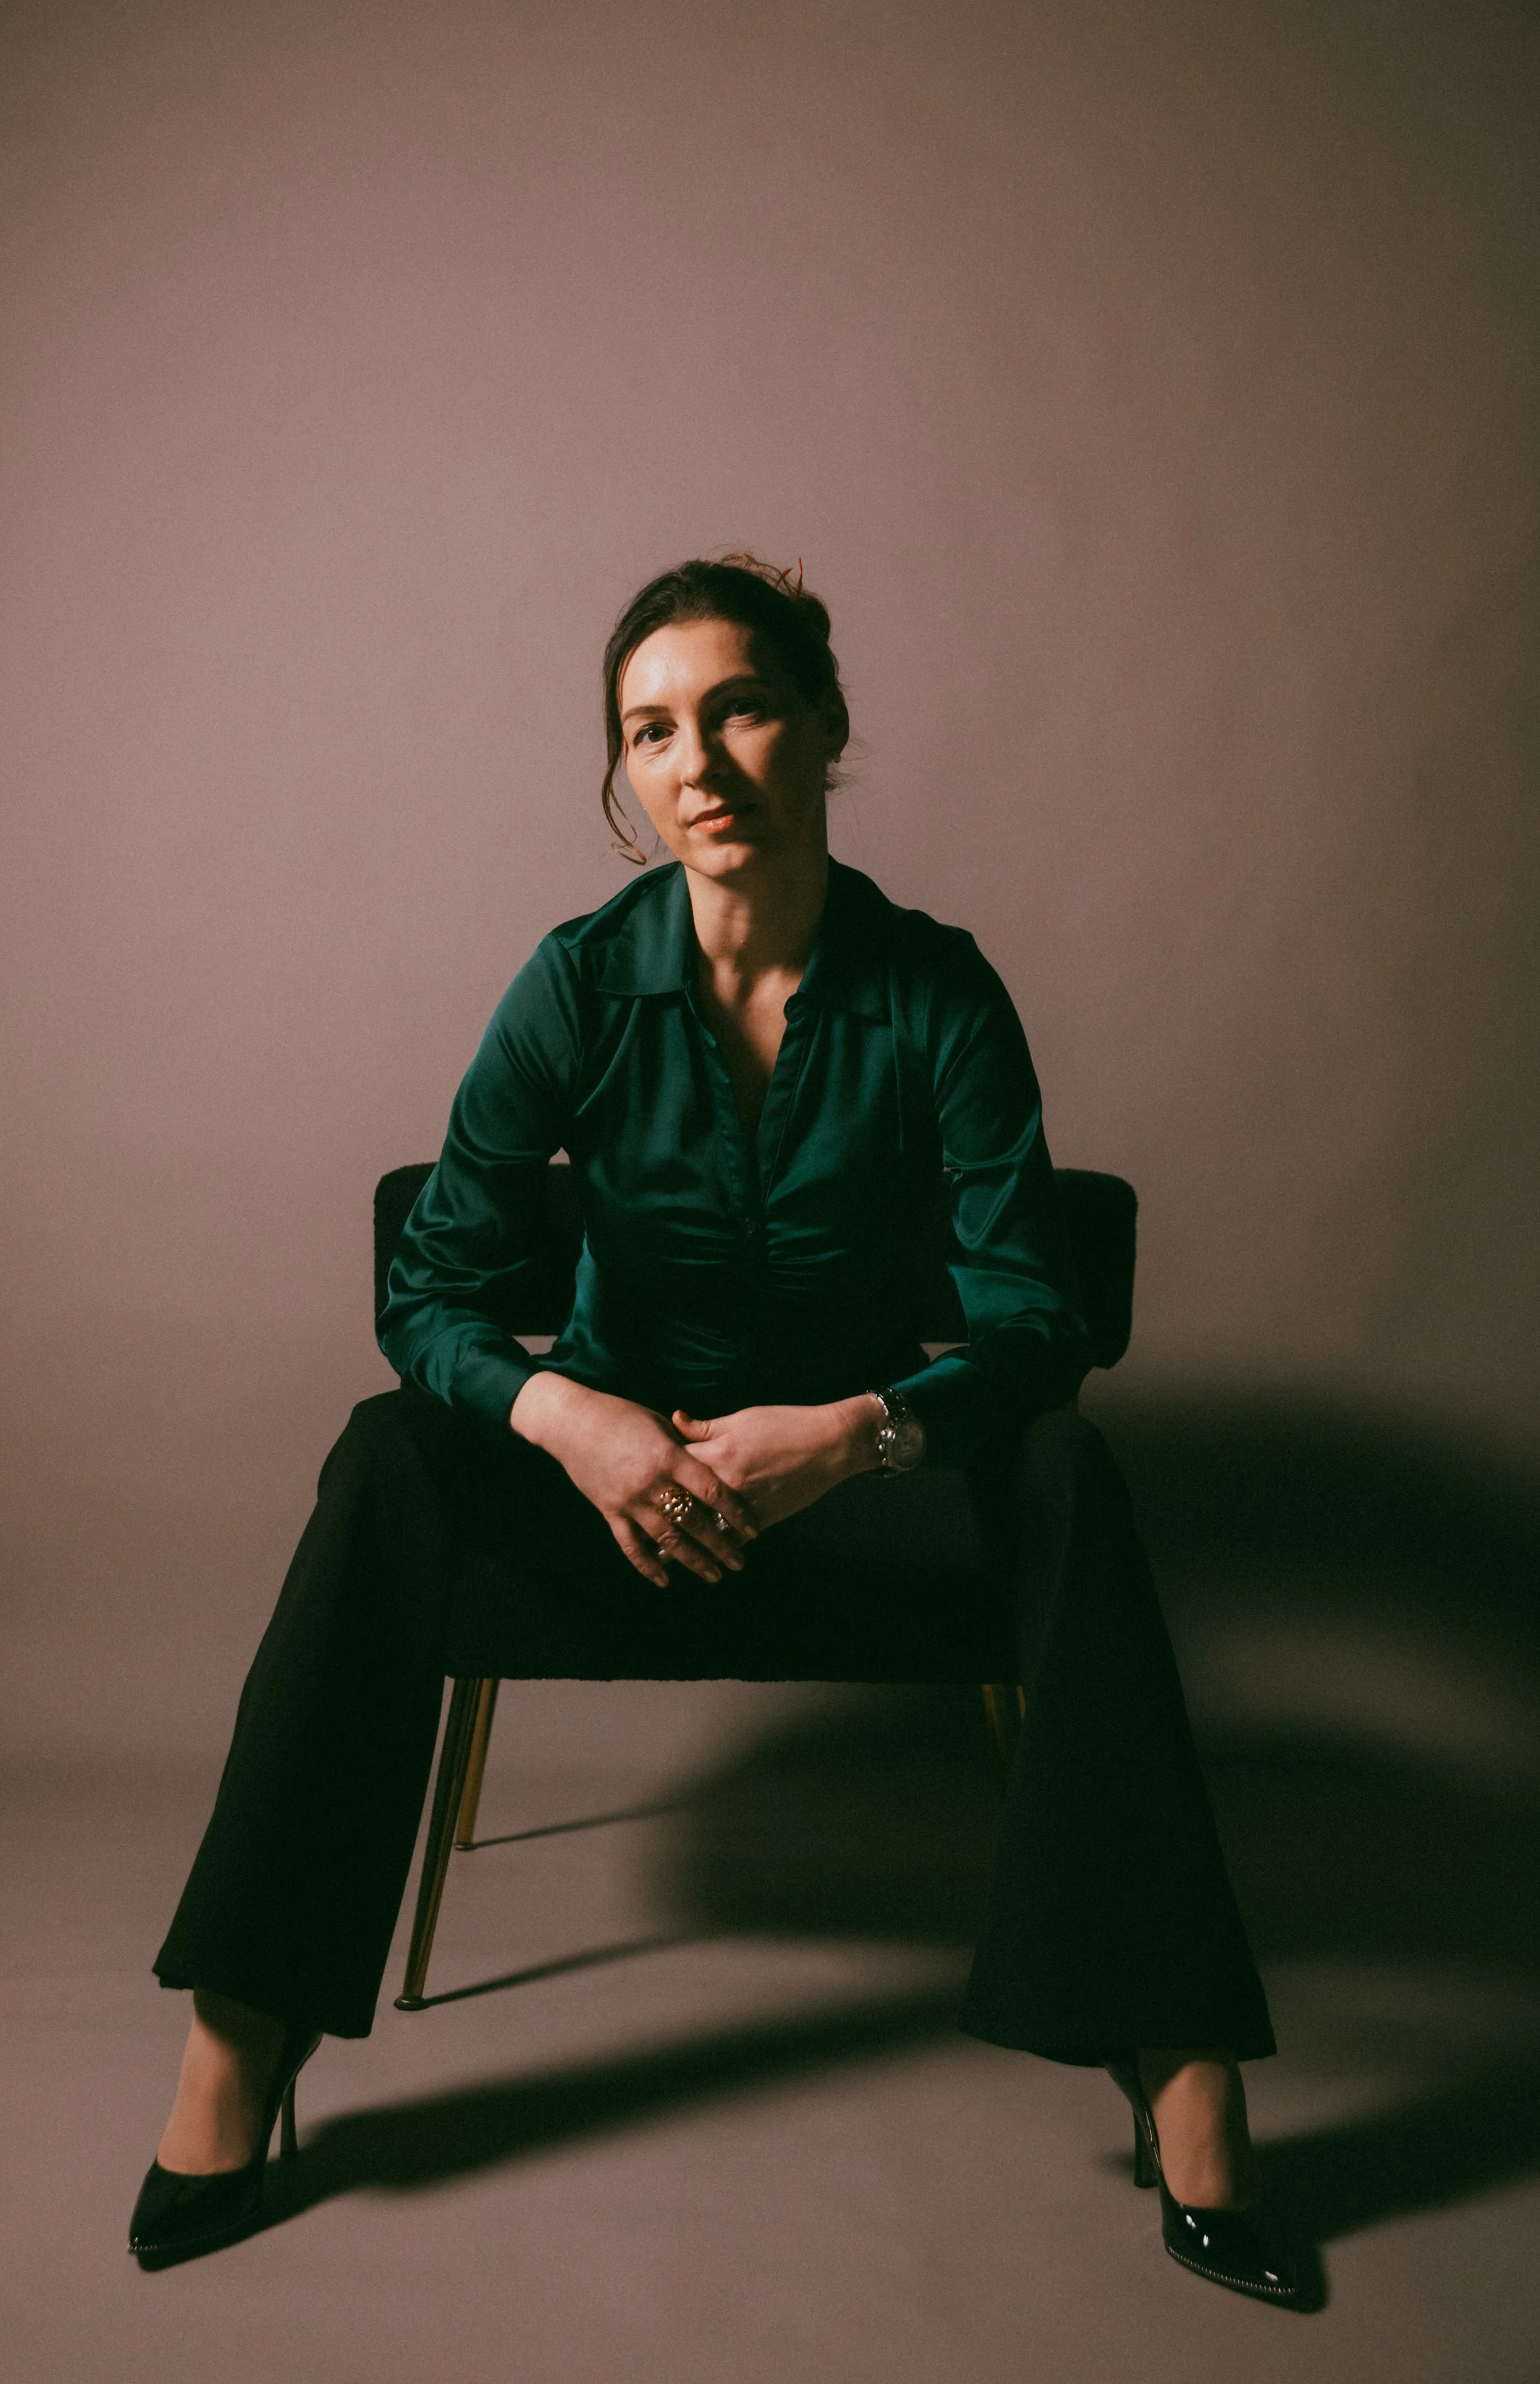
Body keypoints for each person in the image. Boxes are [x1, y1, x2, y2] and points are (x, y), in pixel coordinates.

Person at [130, 555, 1295, 2301]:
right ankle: (242, 2032)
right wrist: (576, 1420)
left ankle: (1179, 2059)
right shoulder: (576, 984)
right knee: (388, 1445)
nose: (701, 762)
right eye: (652, 729)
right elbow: (431, 1286)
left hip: (852, 1486)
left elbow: (1035, 1316)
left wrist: (853, 1435)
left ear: (822, 726)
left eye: (740, 707)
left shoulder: (936, 993)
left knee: (1067, 1464)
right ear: (626, 774)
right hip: (607, 1495)